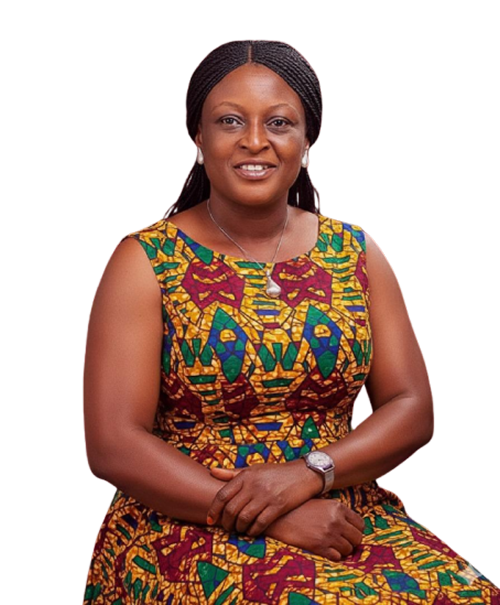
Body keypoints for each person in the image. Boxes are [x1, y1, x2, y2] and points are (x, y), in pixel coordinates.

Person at [82, 39, 499, 604]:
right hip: (187, 518)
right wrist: (271, 515)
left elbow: (412, 407)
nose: (255, 140)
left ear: (307, 142)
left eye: (278, 122)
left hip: (339, 505)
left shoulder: (354, 251)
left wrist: (309, 473)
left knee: (469, 595)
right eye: (230, 121)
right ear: (199, 138)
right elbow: (113, 444)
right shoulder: (144, 260)